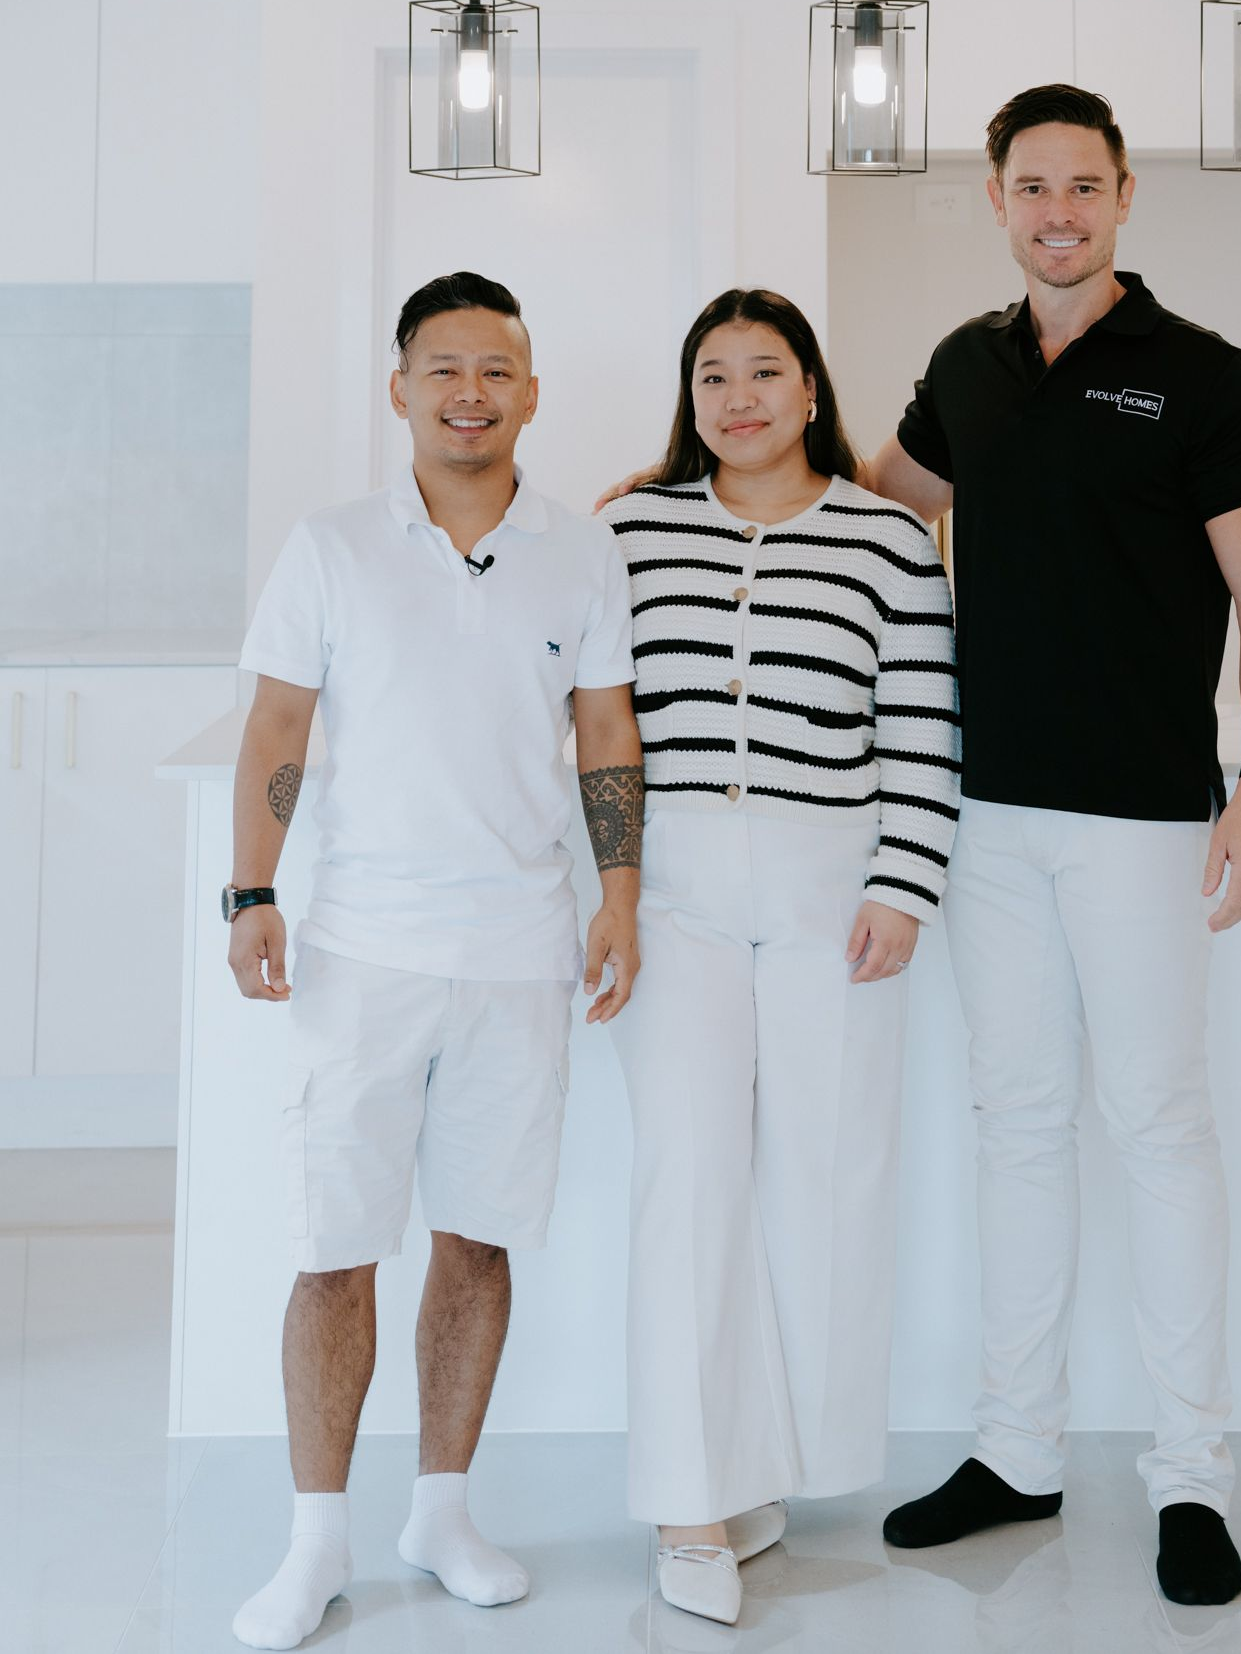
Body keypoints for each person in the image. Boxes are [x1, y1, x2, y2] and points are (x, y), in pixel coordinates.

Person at [861, 87, 1241, 1606]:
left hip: (1141, 819)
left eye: (1085, 186)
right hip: (986, 814)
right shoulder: (965, 368)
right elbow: (875, 506)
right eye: (1033, 186)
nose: (1059, 211)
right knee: (1018, 1123)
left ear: (1123, 198)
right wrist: (687, 490)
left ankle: (1192, 1476)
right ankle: (1018, 1451)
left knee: (1160, 1128)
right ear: (996, 197)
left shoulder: (1200, 373)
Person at [225, 271, 642, 1650]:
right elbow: (278, 725)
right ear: (399, 389)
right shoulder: (331, 546)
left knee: (478, 1239)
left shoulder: (582, 553)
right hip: (362, 948)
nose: (471, 392)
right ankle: (316, 1540)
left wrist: (619, 895)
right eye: (445, 368)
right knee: (333, 1247)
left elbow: (606, 734)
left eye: (496, 370)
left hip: (521, 953)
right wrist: (252, 889)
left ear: (532, 392)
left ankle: (442, 1513)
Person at [596, 288, 960, 1626]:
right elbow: (595, 715)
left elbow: (923, 723)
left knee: (827, 1179)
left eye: (764, 371)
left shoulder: (888, 540)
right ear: (688, 399)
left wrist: (905, 885)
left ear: (811, 388)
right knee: (688, 1180)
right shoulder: (631, 529)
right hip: (677, 889)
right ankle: (687, 1500)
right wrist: (612, 890)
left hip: (834, 884)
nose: (737, 398)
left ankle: (767, 1469)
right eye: (712, 375)